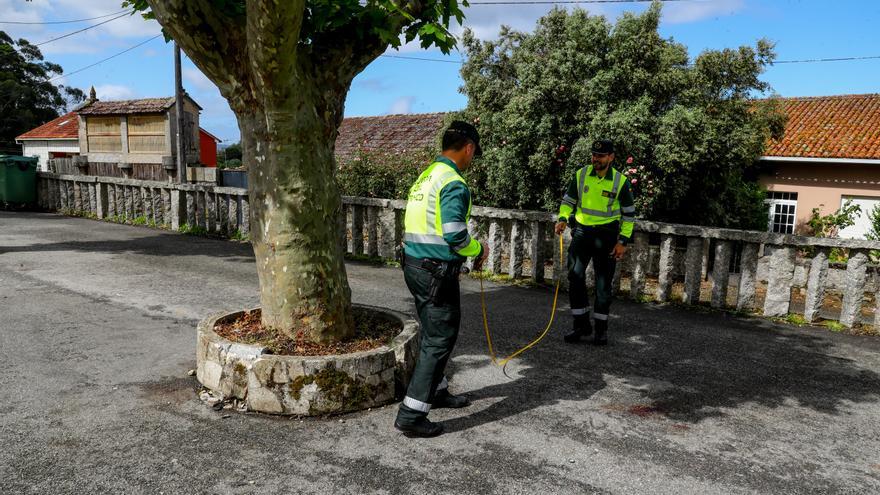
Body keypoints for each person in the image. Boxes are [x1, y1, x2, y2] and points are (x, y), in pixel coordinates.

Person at [394, 120, 490, 438]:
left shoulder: (426, 177)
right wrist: (478, 249)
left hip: (415, 266)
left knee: (433, 333)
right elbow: (454, 234)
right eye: (473, 153)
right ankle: (411, 414)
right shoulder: (453, 182)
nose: (472, 159)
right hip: (436, 272)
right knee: (439, 339)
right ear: (469, 148)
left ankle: (437, 390)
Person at [554, 139, 636, 346]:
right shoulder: (581, 175)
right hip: (582, 233)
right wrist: (563, 218)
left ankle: (601, 329)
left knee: (602, 285)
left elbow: (628, 215)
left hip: (607, 235)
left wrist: (623, 241)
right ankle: (581, 325)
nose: (595, 159)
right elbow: (568, 201)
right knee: (574, 276)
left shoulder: (620, 182)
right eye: (593, 155)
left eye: (600, 156)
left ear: (611, 157)